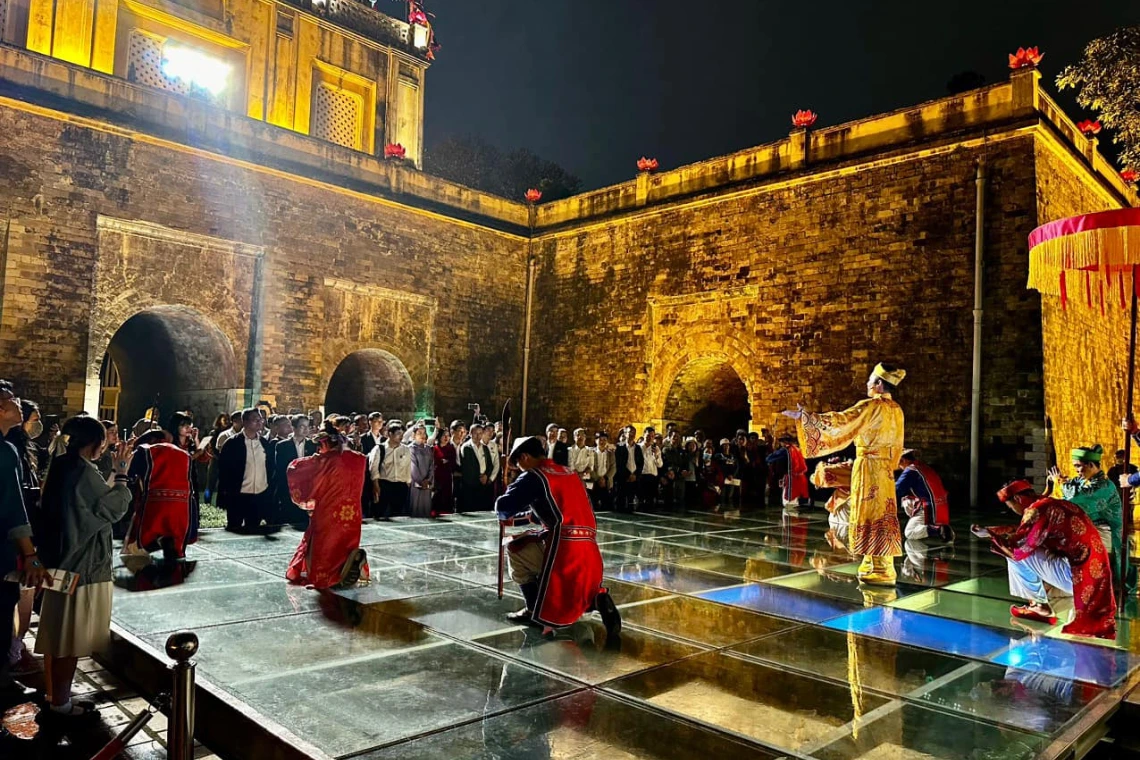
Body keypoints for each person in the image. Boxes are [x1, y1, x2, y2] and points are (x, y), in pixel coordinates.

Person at [37, 415, 133, 721]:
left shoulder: (63, 466)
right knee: (69, 640)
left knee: (56, 635)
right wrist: (121, 476)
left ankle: (54, 695)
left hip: (60, 561)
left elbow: (91, 502)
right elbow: (112, 507)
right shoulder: (81, 471)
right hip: (82, 565)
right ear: (94, 443)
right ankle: (62, 705)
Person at [784, 362, 906, 585]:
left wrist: (806, 418)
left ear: (879, 384)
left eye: (870, 380)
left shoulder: (872, 406)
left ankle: (878, 568)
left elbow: (841, 421)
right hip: (886, 469)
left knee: (869, 512)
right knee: (884, 513)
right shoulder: (897, 410)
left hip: (869, 467)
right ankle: (878, 563)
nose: (867, 383)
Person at [495, 436, 620, 636]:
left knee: (516, 549)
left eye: (518, 463)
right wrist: (519, 518)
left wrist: (504, 491)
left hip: (564, 549)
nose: (518, 468)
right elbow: (544, 513)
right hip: (590, 551)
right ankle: (595, 599)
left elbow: (503, 509)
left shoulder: (534, 476)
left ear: (525, 457)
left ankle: (533, 608)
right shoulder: (569, 472)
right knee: (571, 580)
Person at [974, 480, 1116, 639]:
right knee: (1025, 547)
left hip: (1078, 579)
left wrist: (991, 536)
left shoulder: (1035, 511)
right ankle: (1044, 601)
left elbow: (1019, 547)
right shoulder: (1053, 504)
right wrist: (994, 530)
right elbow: (1027, 531)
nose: (1013, 510)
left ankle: (1038, 606)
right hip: (1096, 578)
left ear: (1019, 499)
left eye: (1010, 506)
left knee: (1013, 553)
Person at [0, 382, 50, 721]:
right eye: (10, 400)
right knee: (3, 612)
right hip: (0, 550)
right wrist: (30, 554)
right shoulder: (6, 452)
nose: (18, 403)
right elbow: (13, 508)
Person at [285, 422, 369, 589]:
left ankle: (324, 578)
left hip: (329, 511)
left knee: (324, 544)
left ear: (325, 442)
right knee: (346, 542)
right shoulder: (359, 459)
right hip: (352, 512)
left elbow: (295, 467)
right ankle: (344, 570)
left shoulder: (325, 460)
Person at [1050, 444, 1123, 584]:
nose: (1076, 470)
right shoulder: (1082, 480)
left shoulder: (1105, 487)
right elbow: (1068, 489)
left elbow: (1077, 502)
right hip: (1087, 527)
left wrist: (1059, 482)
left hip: (1104, 530)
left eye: (1078, 466)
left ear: (1090, 464)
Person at [124, 431, 196, 561]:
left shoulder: (144, 450)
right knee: (176, 547)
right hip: (183, 505)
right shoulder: (184, 454)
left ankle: (153, 545)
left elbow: (128, 474)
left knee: (139, 546)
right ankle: (170, 549)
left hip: (155, 503)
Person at [217, 409, 275, 533]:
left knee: (254, 530)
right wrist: (224, 494)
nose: (260, 422)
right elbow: (224, 471)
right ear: (245, 422)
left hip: (259, 494)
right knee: (235, 530)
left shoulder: (264, 443)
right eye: (256, 420)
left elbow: (270, 468)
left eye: (261, 419)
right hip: (238, 495)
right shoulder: (232, 443)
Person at [895, 449, 953, 542]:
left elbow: (897, 490)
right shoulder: (924, 467)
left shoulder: (910, 471)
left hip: (929, 508)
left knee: (909, 532)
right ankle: (941, 527)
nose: (899, 466)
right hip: (942, 506)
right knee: (906, 500)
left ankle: (937, 529)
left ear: (903, 460)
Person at [275, 415, 317, 527]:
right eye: (302, 426)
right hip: (289, 488)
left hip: (308, 489)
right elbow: (280, 469)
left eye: (308, 427)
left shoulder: (313, 445)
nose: (305, 430)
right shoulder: (282, 446)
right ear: (293, 428)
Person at [371, 421, 410, 520]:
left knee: (398, 515)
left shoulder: (406, 449)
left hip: (400, 485)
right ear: (390, 434)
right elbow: (373, 468)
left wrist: (408, 482)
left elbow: (408, 467)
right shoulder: (379, 449)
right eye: (398, 434)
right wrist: (376, 486)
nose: (400, 437)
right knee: (380, 513)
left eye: (402, 434)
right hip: (385, 485)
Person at [766, 435, 810, 508]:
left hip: (791, 478)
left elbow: (770, 458)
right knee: (795, 501)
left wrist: (770, 455)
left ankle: (790, 518)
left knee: (788, 502)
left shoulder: (785, 450)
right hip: (801, 478)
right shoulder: (798, 449)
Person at [459, 422, 494, 512]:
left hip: (483, 484)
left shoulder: (485, 448)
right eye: (475, 433)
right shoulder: (466, 448)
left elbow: (490, 464)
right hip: (471, 485)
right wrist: (478, 478)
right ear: (470, 434)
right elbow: (467, 467)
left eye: (480, 433)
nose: (478, 436)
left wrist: (486, 475)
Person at [613, 426, 643, 513]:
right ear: (625, 433)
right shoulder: (619, 447)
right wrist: (628, 474)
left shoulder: (637, 448)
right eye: (630, 432)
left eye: (633, 433)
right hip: (623, 477)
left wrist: (635, 475)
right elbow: (619, 463)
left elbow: (641, 463)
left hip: (634, 476)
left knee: (631, 500)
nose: (631, 435)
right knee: (621, 500)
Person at [409, 426, 435, 518]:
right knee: (416, 508)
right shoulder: (411, 449)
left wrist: (428, 480)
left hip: (427, 485)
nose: (423, 435)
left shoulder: (428, 448)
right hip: (416, 485)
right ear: (414, 435)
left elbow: (431, 466)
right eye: (419, 433)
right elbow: (413, 467)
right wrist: (420, 481)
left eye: (424, 433)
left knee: (426, 508)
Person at [432, 429, 457, 517]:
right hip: (437, 476)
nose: (446, 438)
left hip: (447, 477)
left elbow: (453, 462)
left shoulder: (451, 448)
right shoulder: (434, 448)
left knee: (447, 497)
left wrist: (447, 462)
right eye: (444, 435)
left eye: (448, 435)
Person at [590, 431, 616, 512]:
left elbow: (613, 467)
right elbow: (590, 467)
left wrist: (605, 478)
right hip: (595, 482)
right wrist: (598, 478)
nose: (602, 442)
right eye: (600, 439)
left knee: (608, 507)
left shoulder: (610, 453)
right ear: (596, 440)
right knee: (594, 507)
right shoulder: (591, 452)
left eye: (604, 439)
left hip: (607, 482)